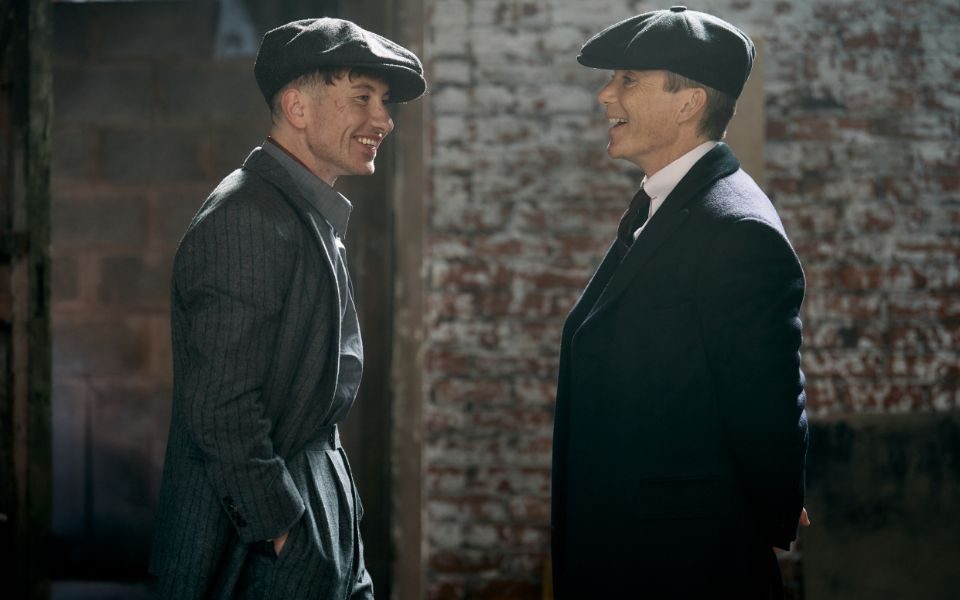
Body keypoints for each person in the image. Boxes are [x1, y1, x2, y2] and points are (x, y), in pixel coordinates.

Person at [149, 18, 425, 600]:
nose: (383, 120)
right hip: (259, 548)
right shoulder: (248, 218)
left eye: (384, 102)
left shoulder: (300, 211)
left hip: (315, 509)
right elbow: (221, 409)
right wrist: (284, 534)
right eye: (362, 98)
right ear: (297, 108)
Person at [550, 7, 809, 598]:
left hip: (679, 564)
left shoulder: (736, 227)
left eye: (628, 80)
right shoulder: (667, 204)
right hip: (630, 550)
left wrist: (775, 499)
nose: (604, 95)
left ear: (689, 101)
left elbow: (766, 394)